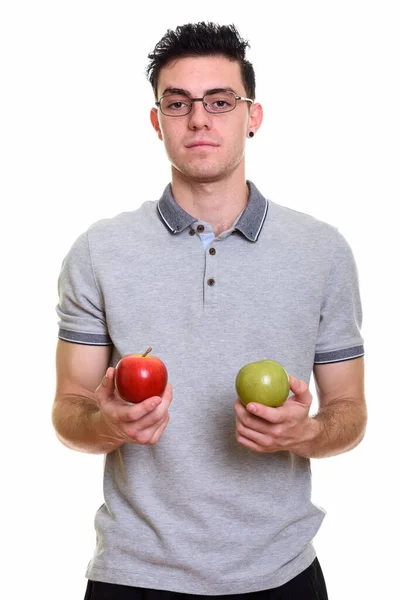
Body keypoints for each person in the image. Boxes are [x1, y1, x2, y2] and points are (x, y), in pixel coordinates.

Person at [52, 21, 367, 600]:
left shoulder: (321, 251)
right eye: (179, 103)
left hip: (282, 573)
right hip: (135, 573)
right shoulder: (100, 250)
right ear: (157, 122)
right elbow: (69, 411)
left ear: (253, 116)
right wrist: (104, 423)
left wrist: (306, 432)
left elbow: (349, 413)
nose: (199, 119)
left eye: (220, 101)